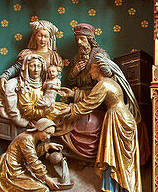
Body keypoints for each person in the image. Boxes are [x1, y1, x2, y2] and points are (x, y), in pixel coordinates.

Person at [54, 54, 142, 192]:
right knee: (114, 155)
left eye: (92, 68)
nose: (89, 72)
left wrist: (70, 109)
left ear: (99, 69)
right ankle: (112, 189)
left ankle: (124, 189)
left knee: (117, 156)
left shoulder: (104, 84)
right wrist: (73, 94)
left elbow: (90, 103)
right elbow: (91, 95)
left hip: (118, 119)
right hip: (119, 117)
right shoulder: (107, 83)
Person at [62, 23, 146, 166]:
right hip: (83, 98)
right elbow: (71, 81)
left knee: (82, 122)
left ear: (90, 39)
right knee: (67, 122)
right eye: (77, 39)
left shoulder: (100, 55)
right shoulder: (77, 58)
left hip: (99, 101)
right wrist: (74, 72)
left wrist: (76, 97)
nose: (79, 43)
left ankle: (90, 159)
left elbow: (107, 81)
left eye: (82, 39)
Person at [0, 20, 63, 128]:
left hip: (43, 89)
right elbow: (17, 68)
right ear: (35, 36)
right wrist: (5, 76)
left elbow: (57, 76)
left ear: (49, 38)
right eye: (40, 35)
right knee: (10, 86)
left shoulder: (53, 56)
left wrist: (53, 85)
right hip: (26, 85)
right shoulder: (27, 53)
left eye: (45, 36)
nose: (42, 39)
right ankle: (18, 117)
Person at [0, 119, 60, 192]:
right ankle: (6, 189)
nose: (48, 137)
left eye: (51, 135)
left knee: (38, 184)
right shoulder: (26, 139)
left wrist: (47, 146)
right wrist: (46, 178)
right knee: (43, 190)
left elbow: (31, 154)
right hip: (11, 170)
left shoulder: (31, 137)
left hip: (18, 167)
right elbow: (33, 161)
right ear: (40, 128)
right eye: (47, 133)